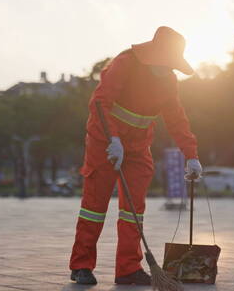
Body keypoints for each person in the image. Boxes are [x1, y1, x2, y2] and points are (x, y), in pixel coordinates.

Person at [69, 26, 203, 285]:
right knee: (94, 208)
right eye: (166, 63)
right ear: (153, 55)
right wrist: (113, 140)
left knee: (133, 211)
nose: (168, 69)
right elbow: (100, 102)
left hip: (139, 147)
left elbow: (176, 119)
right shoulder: (125, 64)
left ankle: (128, 269)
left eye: (172, 65)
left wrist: (191, 155)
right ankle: (81, 265)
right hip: (104, 142)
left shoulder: (168, 81)